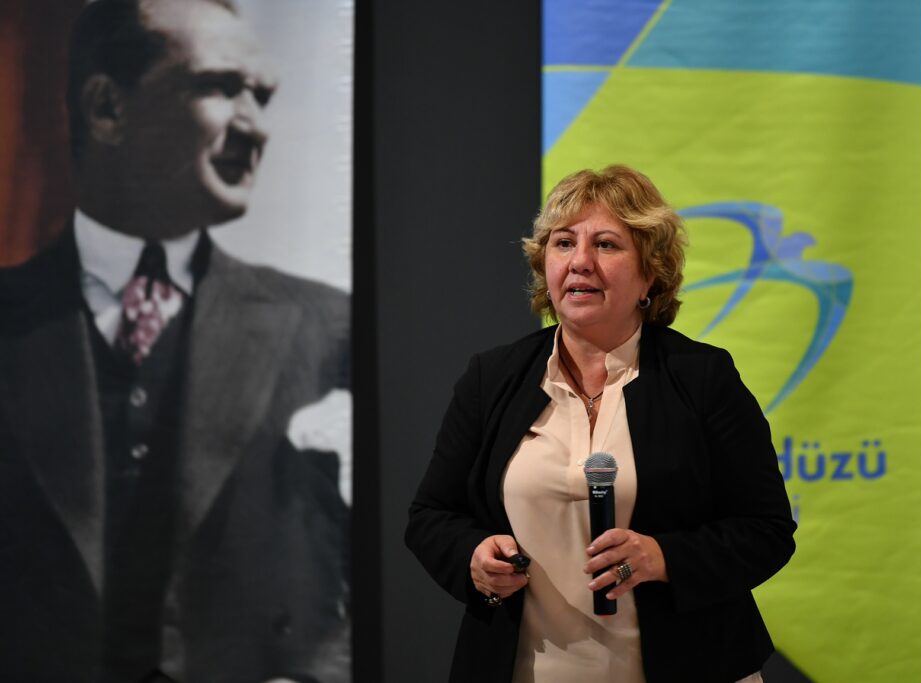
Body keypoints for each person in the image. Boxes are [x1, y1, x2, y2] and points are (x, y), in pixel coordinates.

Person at [0, 0, 350, 681]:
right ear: (107, 109)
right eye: (220, 87)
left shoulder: (327, 326)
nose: (255, 125)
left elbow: (393, 547)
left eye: (262, 96)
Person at [406, 165, 796, 682]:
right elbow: (431, 516)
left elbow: (767, 531)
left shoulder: (703, 378)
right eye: (563, 243)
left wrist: (663, 556)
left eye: (606, 245)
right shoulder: (492, 377)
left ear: (650, 275)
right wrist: (473, 558)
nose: (580, 262)